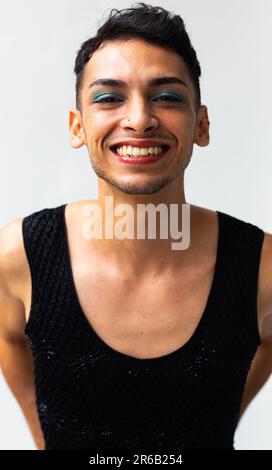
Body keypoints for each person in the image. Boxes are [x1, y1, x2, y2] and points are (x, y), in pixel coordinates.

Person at [0, 2, 271, 451]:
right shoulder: (19, 256)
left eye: (167, 96)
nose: (140, 119)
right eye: (109, 97)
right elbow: (9, 338)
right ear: (78, 127)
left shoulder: (261, 266)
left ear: (201, 123)